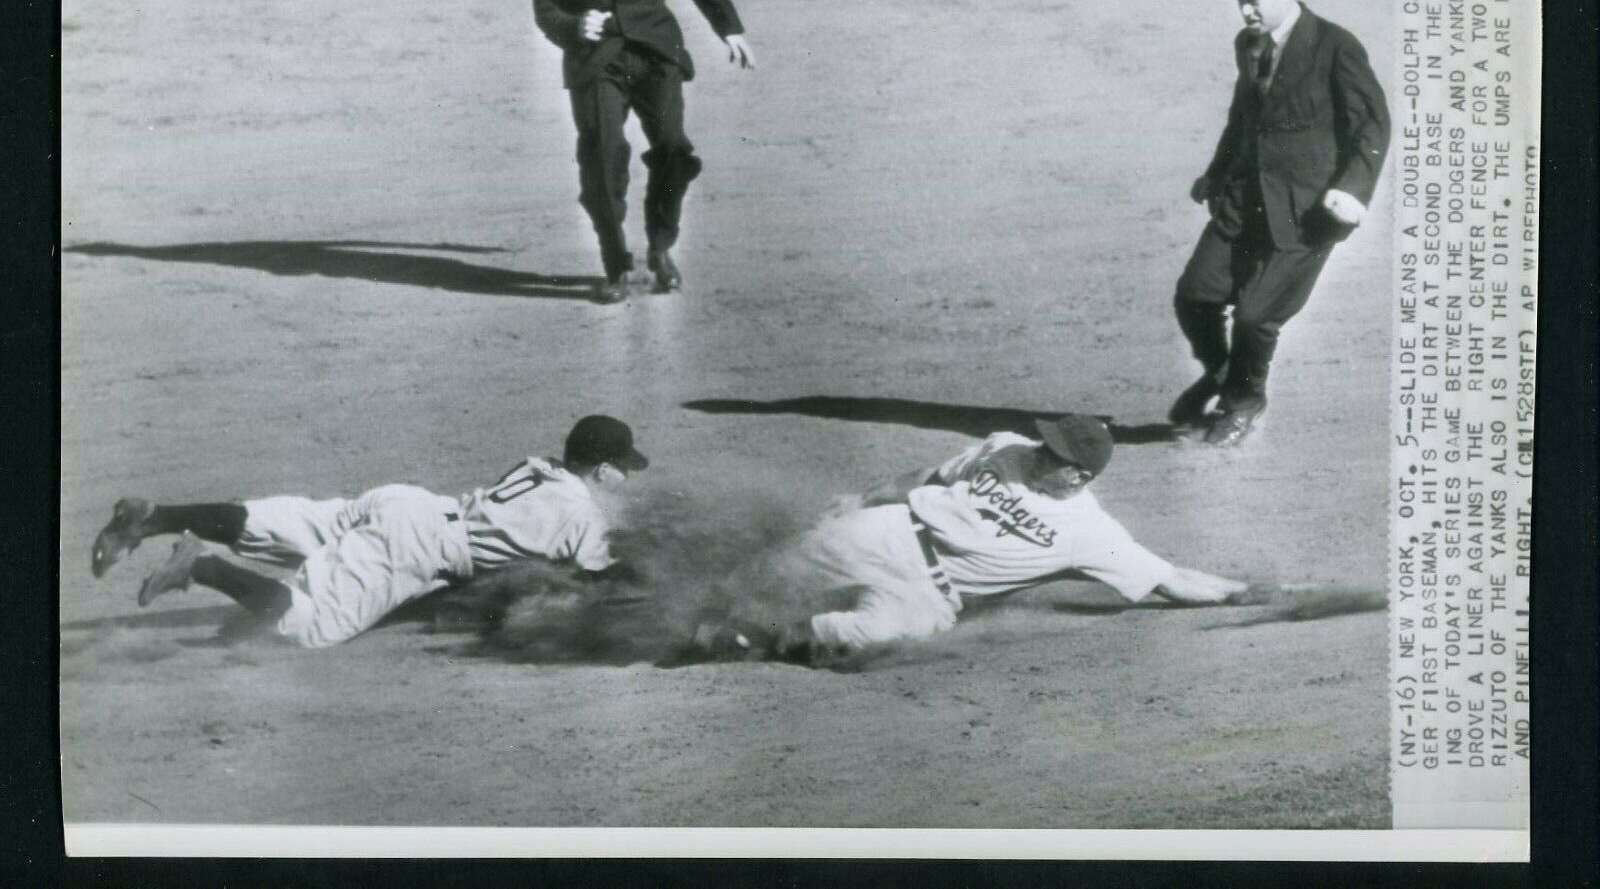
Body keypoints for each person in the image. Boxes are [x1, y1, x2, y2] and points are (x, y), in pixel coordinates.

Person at [686, 415, 1253, 665]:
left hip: (929, 591)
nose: (1037, 453)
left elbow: (1172, 579)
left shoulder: (1092, 533)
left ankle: (760, 637)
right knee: (777, 565)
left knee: (871, 636)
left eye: (1052, 455)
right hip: (892, 530)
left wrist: (1247, 592)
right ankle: (684, 608)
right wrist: (862, 498)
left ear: (1078, 476)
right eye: (1043, 443)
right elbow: (924, 480)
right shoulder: (1006, 447)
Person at [89, 415, 648, 648]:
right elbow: (607, 579)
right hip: (417, 546)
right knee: (311, 625)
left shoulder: (541, 466)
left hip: (407, 503)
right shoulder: (585, 514)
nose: (626, 476)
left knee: (277, 522)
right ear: (601, 470)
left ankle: (155, 517)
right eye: (624, 467)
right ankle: (203, 567)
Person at [527, 0, 756, 304]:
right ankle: (616, 266)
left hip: (655, 51)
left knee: (673, 148)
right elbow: (545, 10)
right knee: (602, 154)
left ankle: (660, 246)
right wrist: (573, 25)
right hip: (596, 61)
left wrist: (727, 25)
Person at [1172, 0, 1391, 446]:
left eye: (1255, 1)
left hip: (1308, 212)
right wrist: (1216, 173)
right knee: (1195, 296)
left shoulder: (1334, 45)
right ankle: (1225, 372)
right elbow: (1243, 117)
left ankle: (1244, 401)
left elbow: (1372, 124)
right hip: (1246, 200)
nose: (1247, 11)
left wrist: (1351, 191)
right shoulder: (1247, 44)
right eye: (1241, 2)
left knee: (1255, 317)